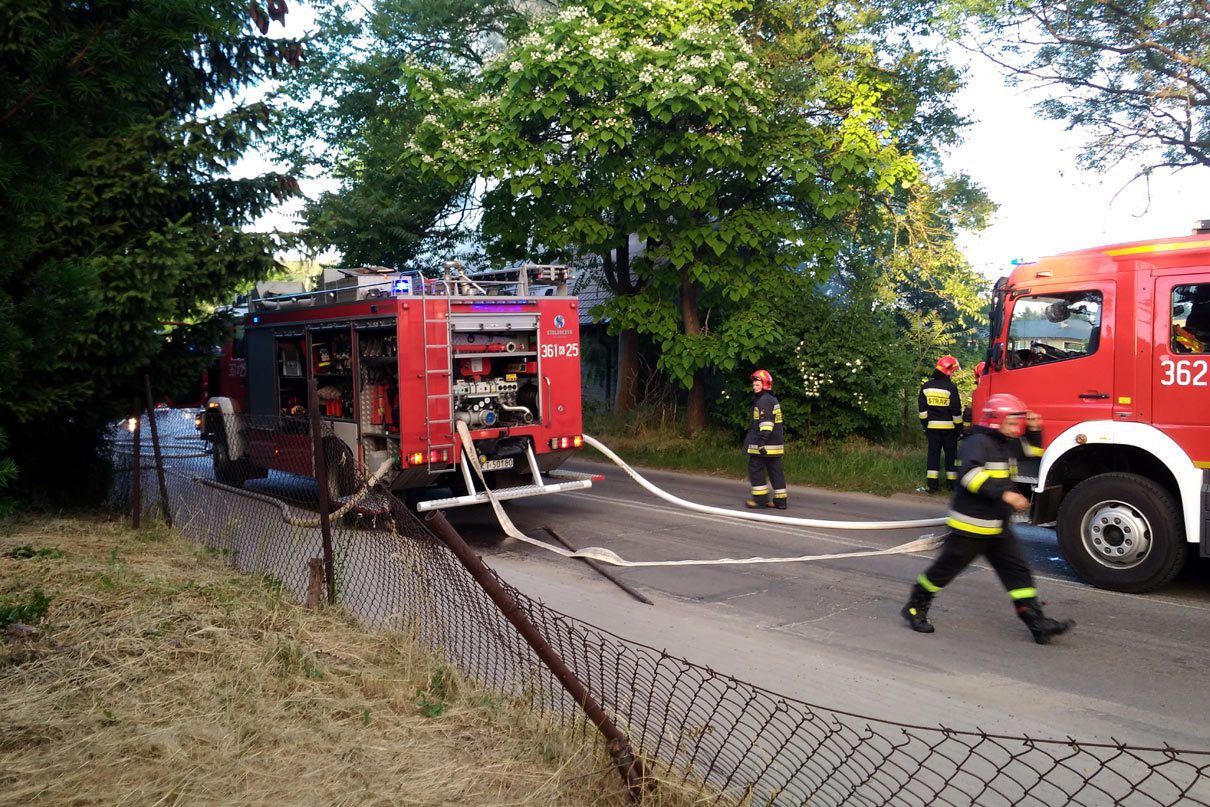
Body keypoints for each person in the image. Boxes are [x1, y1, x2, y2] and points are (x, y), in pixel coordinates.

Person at [901, 393, 1075, 644]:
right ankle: (915, 606)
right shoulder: (977, 442)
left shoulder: (1007, 441)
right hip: (971, 525)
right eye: (1013, 421)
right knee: (944, 571)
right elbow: (970, 476)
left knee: (1018, 573)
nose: (1018, 427)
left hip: (997, 526)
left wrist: (1036, 430)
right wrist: (1005, 494)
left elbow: (1031, 452)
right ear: (996, 420)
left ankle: (1037, 623)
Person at [917, 355, 963, 493]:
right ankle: (952, 485)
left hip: (932, 429)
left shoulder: (926, 387)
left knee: (933, 456)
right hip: (949, 430)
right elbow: (956, 411)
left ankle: (932, 485)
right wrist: (959, 428)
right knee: (951, 457)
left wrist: (926, 426)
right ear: (949, 371)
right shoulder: (951, 388)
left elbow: (922, 412)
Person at [744, 369, 787, 509]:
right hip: (775, 445)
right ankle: (780, 501)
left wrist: (761, 442)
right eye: (754, 384)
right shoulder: (772, 399)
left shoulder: (763, 401)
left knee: (755, 469)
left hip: (764, 445)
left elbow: (767, 424)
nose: (754, 387)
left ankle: (760, 500)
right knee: (776, 471)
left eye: (757, 384)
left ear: (765, 385)